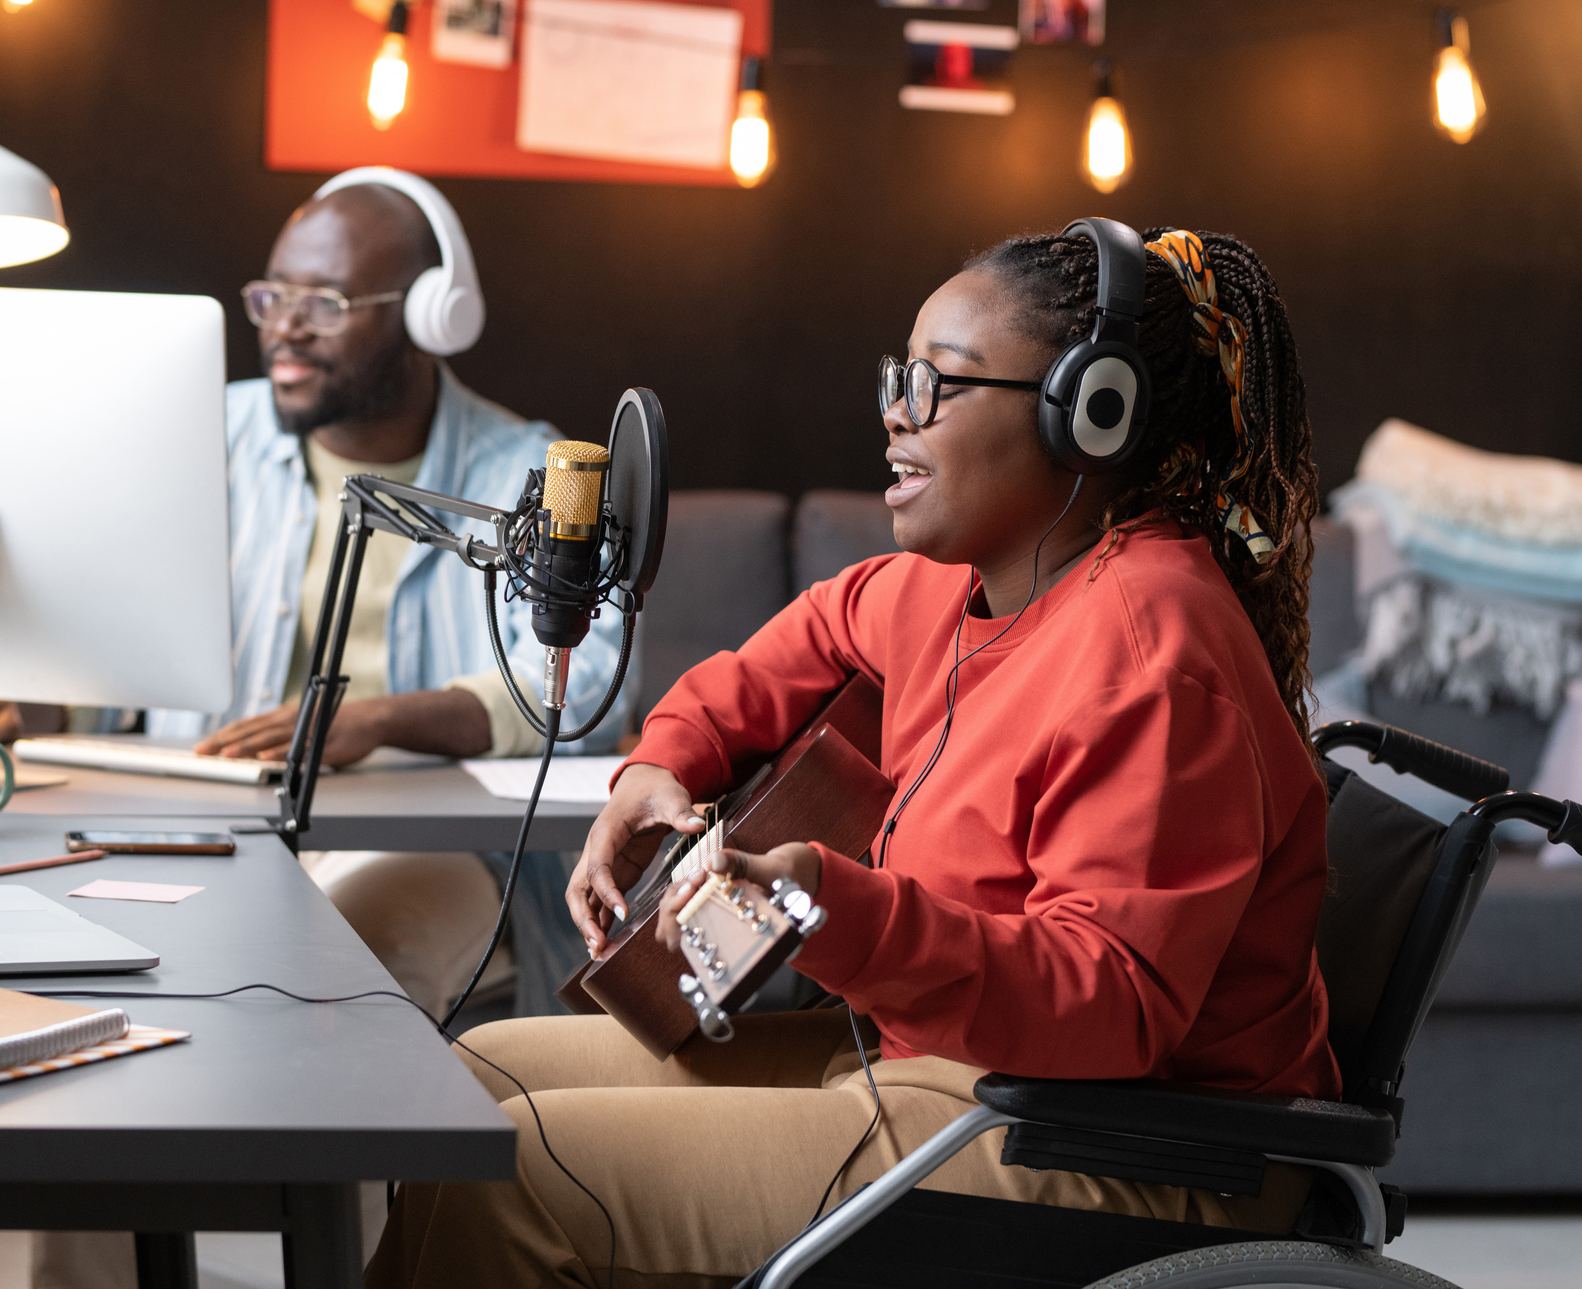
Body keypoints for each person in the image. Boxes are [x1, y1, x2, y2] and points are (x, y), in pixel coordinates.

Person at [367, 225, 1337, 1288]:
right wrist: (665, 763)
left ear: (1087, 417)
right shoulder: (953, 580)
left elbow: (1112, 1007)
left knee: (517, 1175)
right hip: (952, 1070)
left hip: (1119, 1141)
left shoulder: (1152, 649)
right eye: (898, 378)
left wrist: (832, 901)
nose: (895, 412)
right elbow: (807, 639)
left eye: (938, 385)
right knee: (468, 1080)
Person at [163, 166, 627, 1018]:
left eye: (327, 304)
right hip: (206, 825)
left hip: (423, 847)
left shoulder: (526, 473)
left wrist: (375, 720)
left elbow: (583, 681)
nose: (285, 331)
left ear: (429, 317)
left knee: (355, 968)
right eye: (273, 298)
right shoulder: (198, 432)